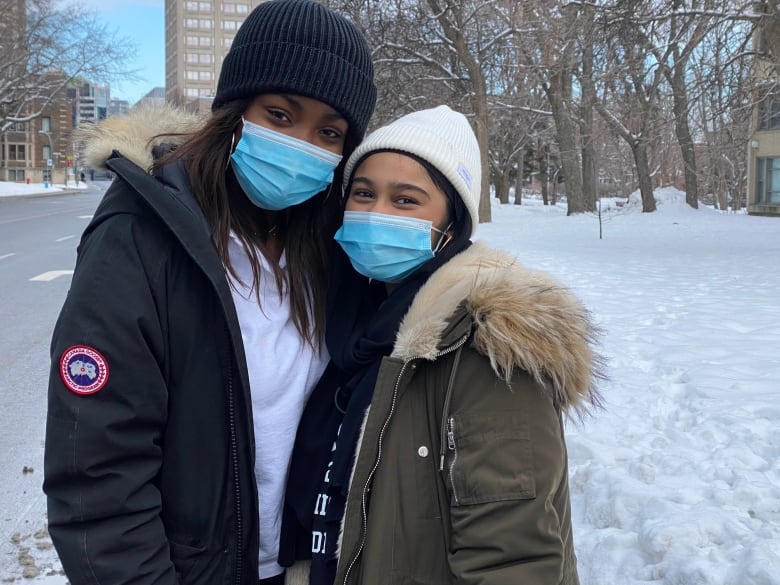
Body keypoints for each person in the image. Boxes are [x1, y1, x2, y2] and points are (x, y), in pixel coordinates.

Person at [42, 1, 376, 584]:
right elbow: (98, 477)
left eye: (328, 132)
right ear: (233, 111)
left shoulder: (332, 251)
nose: (301, 144)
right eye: (279, 114)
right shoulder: (142, 234)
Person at [279, 106, 603, 585]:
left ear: (452, 225)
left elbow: (513, 561)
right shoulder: (350, 329)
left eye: (406, 201)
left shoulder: (487, 347)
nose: (376, 214)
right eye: (363, 194)